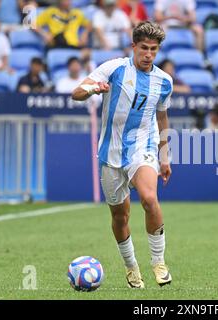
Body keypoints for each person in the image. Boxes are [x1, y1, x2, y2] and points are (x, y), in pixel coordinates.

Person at [72, 21, 173, 289]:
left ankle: (159, 263)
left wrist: (164, 155)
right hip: (110, 153)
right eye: (144, 48)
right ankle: (131, 268)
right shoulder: (114, 68)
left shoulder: (164, 81)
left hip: (143, 148)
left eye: (153, 49)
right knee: (120, 216)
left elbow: (162, 117)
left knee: (150, 199)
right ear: (133, 47)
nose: (148, 54)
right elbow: (77, 92)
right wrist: (95, 89)